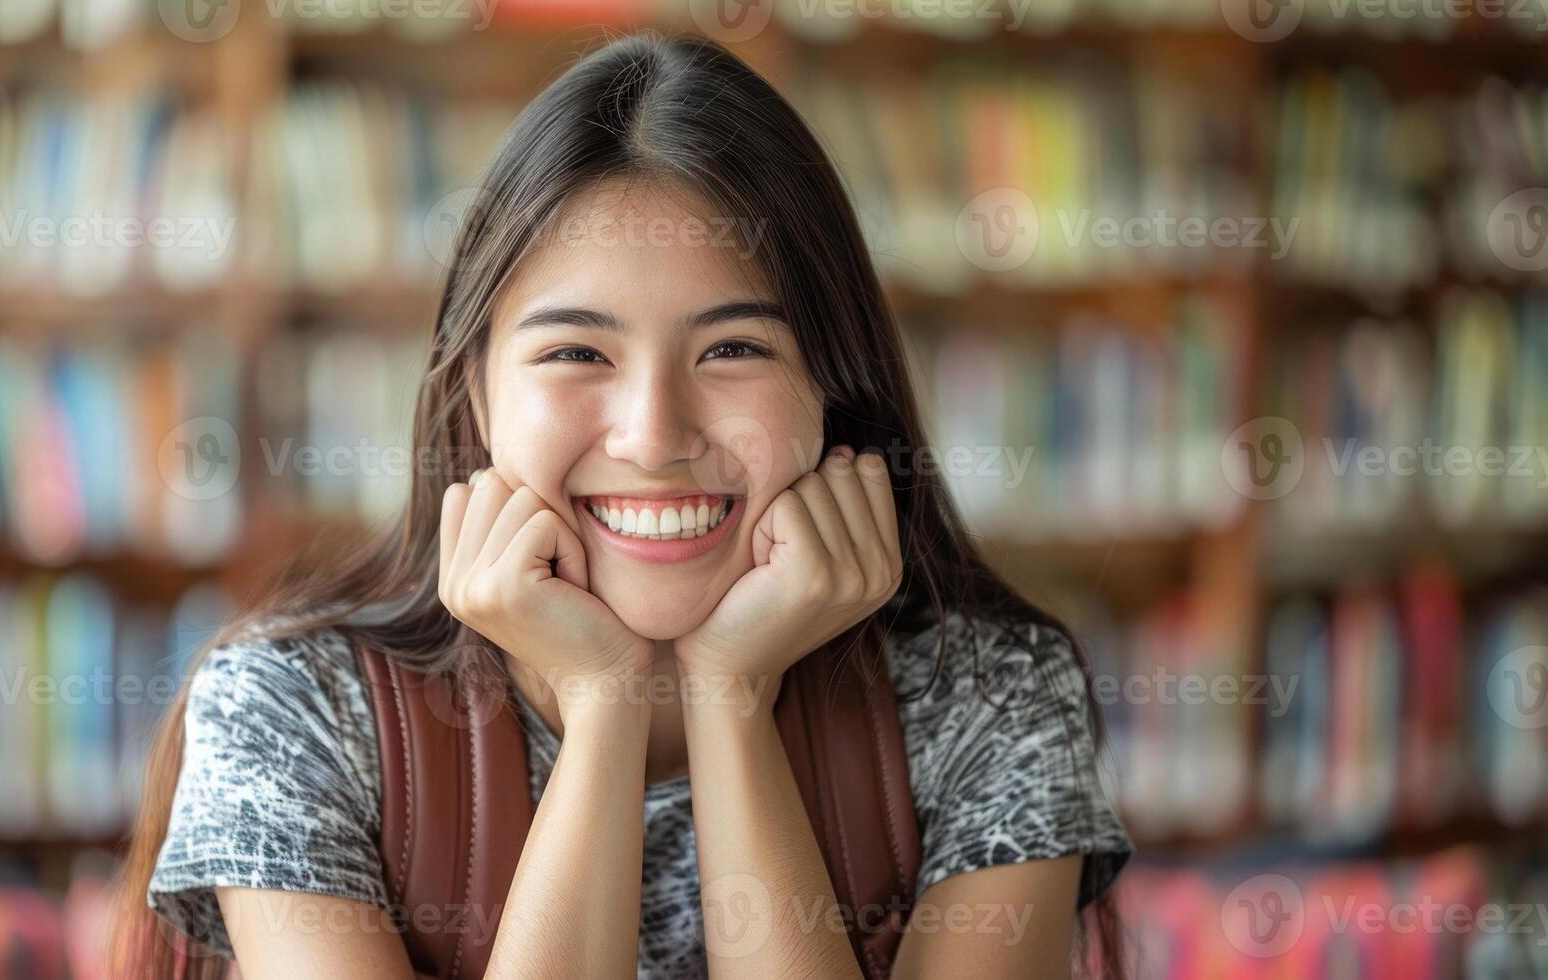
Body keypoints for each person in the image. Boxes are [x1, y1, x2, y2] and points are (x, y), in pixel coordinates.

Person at [112, 30, 1133, 979]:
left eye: (734, 348)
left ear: (832, 380)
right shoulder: (291, 709)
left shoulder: (993, 695)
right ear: (477, 388)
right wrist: (604, 704)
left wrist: (732, 693)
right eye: (577, 352)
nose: (653, 434)